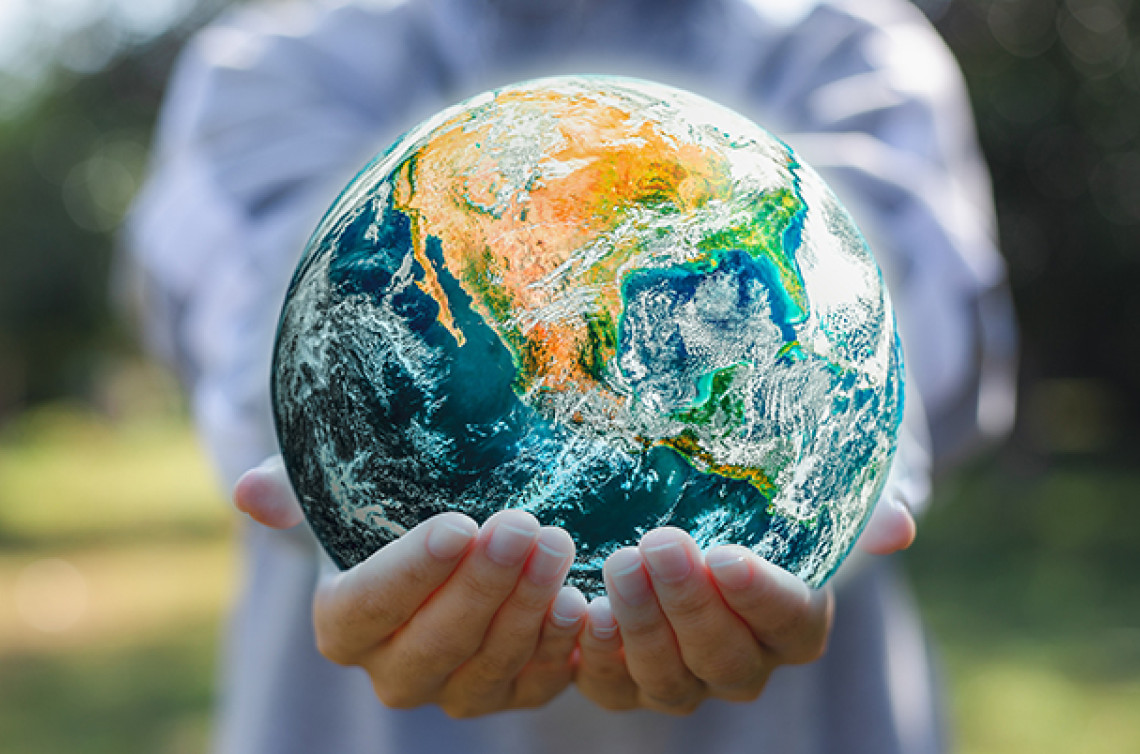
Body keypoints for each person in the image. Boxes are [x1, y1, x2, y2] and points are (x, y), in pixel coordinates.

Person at [125, 0, 1017, 752]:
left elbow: (921, 316)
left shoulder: (847, 44)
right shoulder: (270, 67)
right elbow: (258, 323)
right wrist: (318, 483)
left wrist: (855, 440)